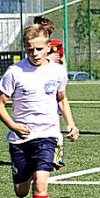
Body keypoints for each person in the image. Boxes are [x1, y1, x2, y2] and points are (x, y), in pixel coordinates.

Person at [0, 24, 79, 198]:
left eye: (39, 49)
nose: (35, 53)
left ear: (48, 47)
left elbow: (61, 99)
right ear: (25, 49)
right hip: (20, 139)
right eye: (30, 49)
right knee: (21, 191)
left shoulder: (58, 71)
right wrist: (13, 126)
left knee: (41, 184)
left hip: (47, 135)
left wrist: (71, 124)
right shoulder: (15, 72)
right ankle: (28, 172)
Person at [33, 15, 66, 171]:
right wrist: (48, 58)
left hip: (50, 89)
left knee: (54, 123)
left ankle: (57, 158)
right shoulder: (33, 47)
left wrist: (62, 74)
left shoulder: (56, 45)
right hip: (35, 90)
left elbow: (62, 61)